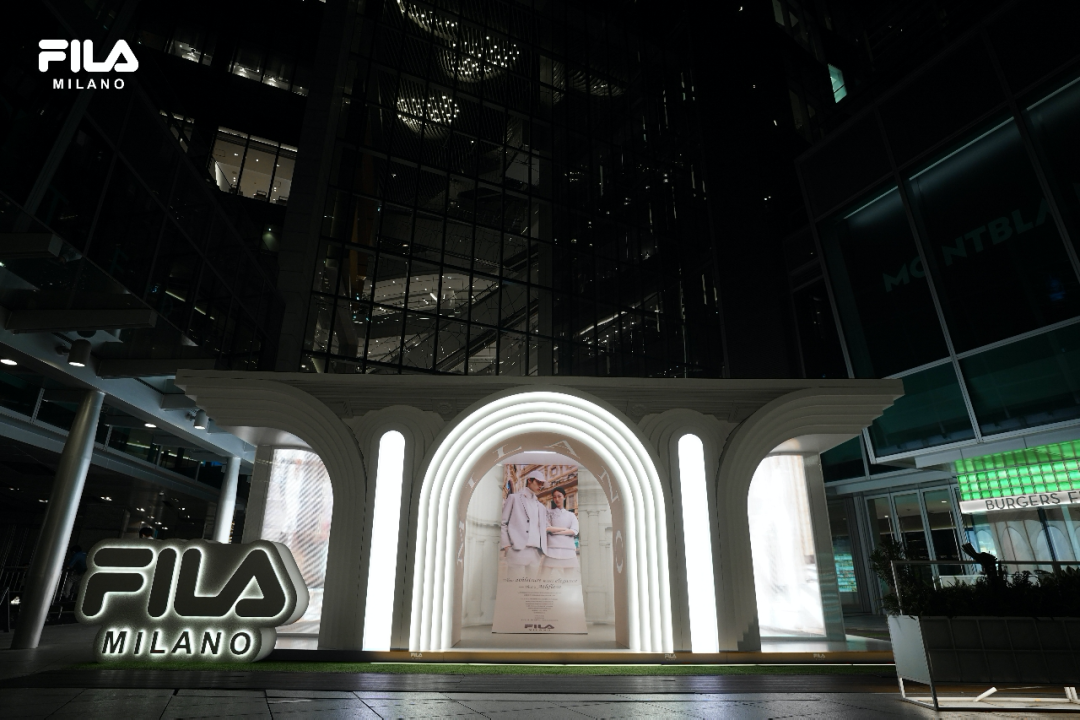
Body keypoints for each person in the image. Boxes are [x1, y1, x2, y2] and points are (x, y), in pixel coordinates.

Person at [500, 470, 548, 578]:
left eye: (542, 483)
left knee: (531, 587)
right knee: (515, 586)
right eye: (538, 482)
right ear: (529, 480)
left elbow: (542, 527)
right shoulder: (514, 498)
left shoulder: (541, 507)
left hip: (535, 553)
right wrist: (507, 546)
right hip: (517, 550)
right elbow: (503, 523)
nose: (540, 485)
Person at [544, 487, 580, 577]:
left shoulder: (571, 515)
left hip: (568, 550)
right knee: (543, 576)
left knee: (569, 579)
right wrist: (565, 529)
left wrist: (554, 531)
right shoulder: (548, 513)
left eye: (559, 496)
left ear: (564, 497)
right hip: (551, 549)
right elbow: (547, 528)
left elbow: (574, 531)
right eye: (554, 497)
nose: (557, 499)